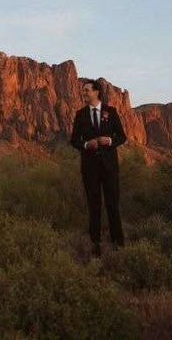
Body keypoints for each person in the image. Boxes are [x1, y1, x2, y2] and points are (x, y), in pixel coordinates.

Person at [70, 79, 126, 256]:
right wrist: (86, 145)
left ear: (96, 92)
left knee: (112, 206)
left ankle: (119, 244)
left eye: (87, 90)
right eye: (83, 91)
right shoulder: (80, 115)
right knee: (94, 206)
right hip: (90, 168)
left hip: (109, 167)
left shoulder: (111, 112)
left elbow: (122, 137)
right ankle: (95, 246)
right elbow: (74, 140)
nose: (84, 93)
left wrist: (109, 141)